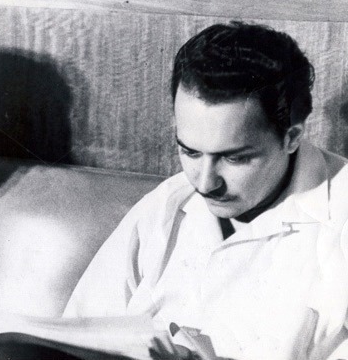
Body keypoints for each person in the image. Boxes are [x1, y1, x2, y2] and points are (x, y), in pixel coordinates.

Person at [64, 22, 348, 360]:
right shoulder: (166, 205)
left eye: (235, 158)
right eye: (190, 152)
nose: (204, 184)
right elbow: (76, 336)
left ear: (291, 137)